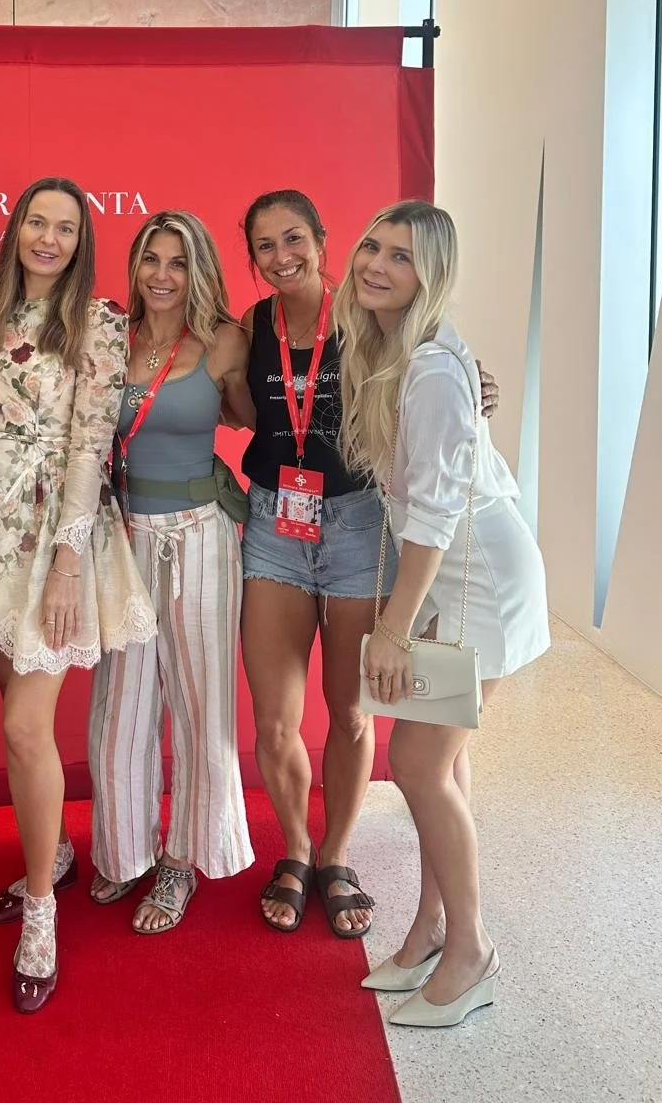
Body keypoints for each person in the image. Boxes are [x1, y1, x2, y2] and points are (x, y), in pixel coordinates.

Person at [237, 190, 498, 940]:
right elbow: (220, 395)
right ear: (251, 257)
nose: (282, 256)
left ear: (324, 241)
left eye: (295, 238)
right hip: (275, 526)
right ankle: (295, 848)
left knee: (350, 712)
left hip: (358, 526)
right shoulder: (249, 327)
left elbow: (432, 372)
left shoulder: (363, 318)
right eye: (264, 245)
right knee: (276, 720)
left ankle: (336, 854)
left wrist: (476, 384)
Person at [335, 200, 548, 1027]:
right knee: (444, 762)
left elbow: (431, 513)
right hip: (450, 572)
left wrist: (394, 629)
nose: (378, 265)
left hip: (474, 575)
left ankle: (472, 950)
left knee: (419, 763)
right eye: (373, 247)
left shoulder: (427, 366)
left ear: (432, 275)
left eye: (403, 257)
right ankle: (431, 926)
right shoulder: (401, 350)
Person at [0, 176, 156, 1013]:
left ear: (81, 242)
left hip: (55, 534)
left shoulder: (98, 322)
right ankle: (58, 855)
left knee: (24, 727)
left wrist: (69, 562)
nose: (48, 238)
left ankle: (41, 911)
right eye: (37, 221)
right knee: (13, 707)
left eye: (65, 228)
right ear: (16, 229)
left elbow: (90, 445)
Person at [86, 211, 255, 933]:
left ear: (199, 271)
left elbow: (262, 416)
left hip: (200, 538)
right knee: (119, 707)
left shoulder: (224, 341)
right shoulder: (109, 336)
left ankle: (183, 859)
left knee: (199, 704)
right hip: (122, 539)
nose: (162, 275)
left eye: (178, 262)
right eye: (151, 260)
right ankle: (124, 850)